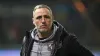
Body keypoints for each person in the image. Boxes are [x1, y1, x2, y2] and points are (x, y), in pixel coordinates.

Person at [20, 4, 94, 56]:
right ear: (33, 21)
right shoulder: (27, 40)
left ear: (52, 19)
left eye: (46, 17)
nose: (43, 21)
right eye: (39, 17)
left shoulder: (67, 41)